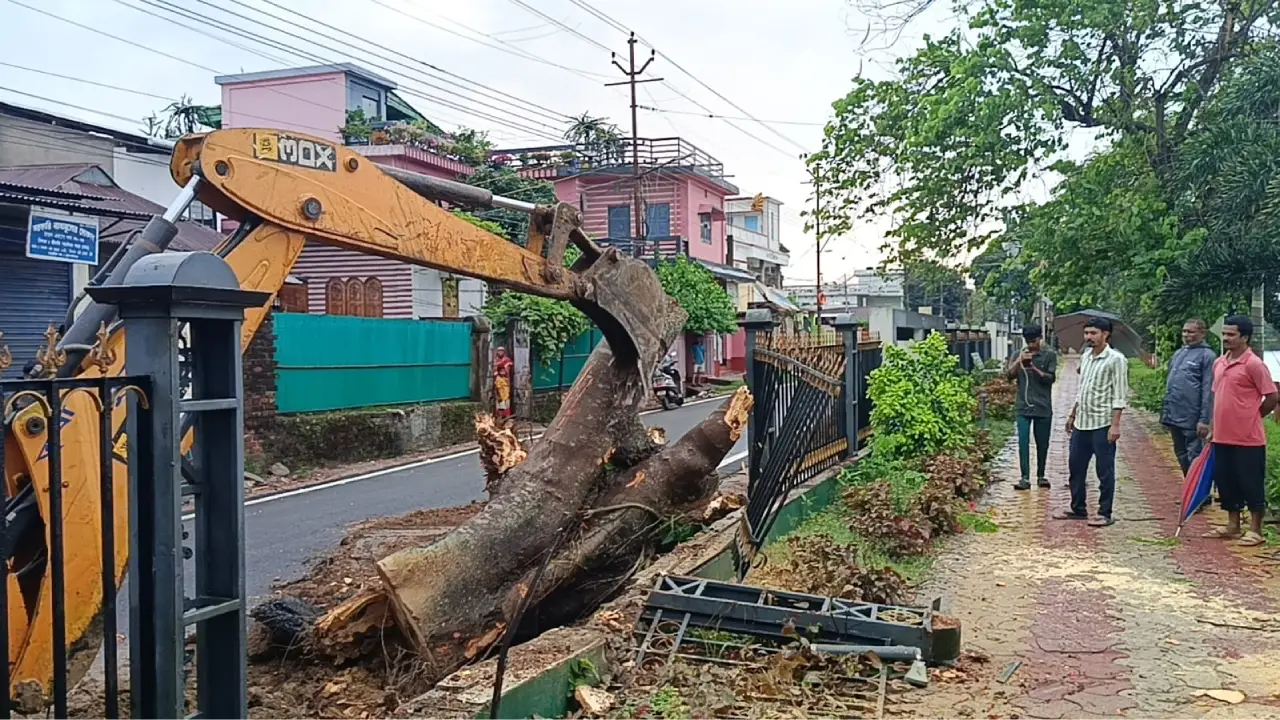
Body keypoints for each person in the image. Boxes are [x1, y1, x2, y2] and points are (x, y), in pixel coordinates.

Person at [1204, 315, 1278, 547]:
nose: (1225, 338)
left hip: (1248, 439)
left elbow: (1272, 396)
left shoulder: (1254, 364)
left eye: (1231, 334)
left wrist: (1253, 416)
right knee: (1226, 481)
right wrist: (1213, 428)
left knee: (1251, 482)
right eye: (1224, 334)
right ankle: (1232, 525)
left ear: (1244, 337)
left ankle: (1255, 530)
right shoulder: (1220, 363)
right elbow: (1218, 398)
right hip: (1222, 436)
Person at [1059, 316, 1129, 527]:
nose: (1088, 337)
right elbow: (1083, 390)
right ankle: (1078, 508)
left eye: (1093, 333)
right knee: (1076, 467)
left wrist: (1115, 425)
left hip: (1103, 423)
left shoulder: (1116, 359)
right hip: (1082, 422)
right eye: (1087, 333)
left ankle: (1104, 512)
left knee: (1104, 471)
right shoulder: (1087, 356)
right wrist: (1072, 415)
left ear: (1105, 334)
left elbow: (1119, 394)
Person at [1161, 319, 1216, 476]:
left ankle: (1199, 497)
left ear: (1202, 333)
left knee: (1195, 456)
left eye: (1191, 332)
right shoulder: (1179, 353)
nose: (1186, 335)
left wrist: (1204, 420)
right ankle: (1189, 492)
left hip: (1193, 418)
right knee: (1181, 453)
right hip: (1174, 415)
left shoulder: (1207, 356)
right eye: (1184, 331)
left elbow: (1208, 390)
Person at [1006, 324, 1057, 490]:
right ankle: (1024, 477)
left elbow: (1050, 378)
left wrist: (1033, 368)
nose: (1031, 344)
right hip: (1023, 406)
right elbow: (1008, 375)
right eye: (1028, 341)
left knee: (1042, 443)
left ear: (1040, 339)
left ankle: (1041, 475)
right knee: (1023, 442)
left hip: (1043, 406)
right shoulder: (1017, 354)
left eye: (1034, 341)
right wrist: (1019, 361)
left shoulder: (1049, 355)